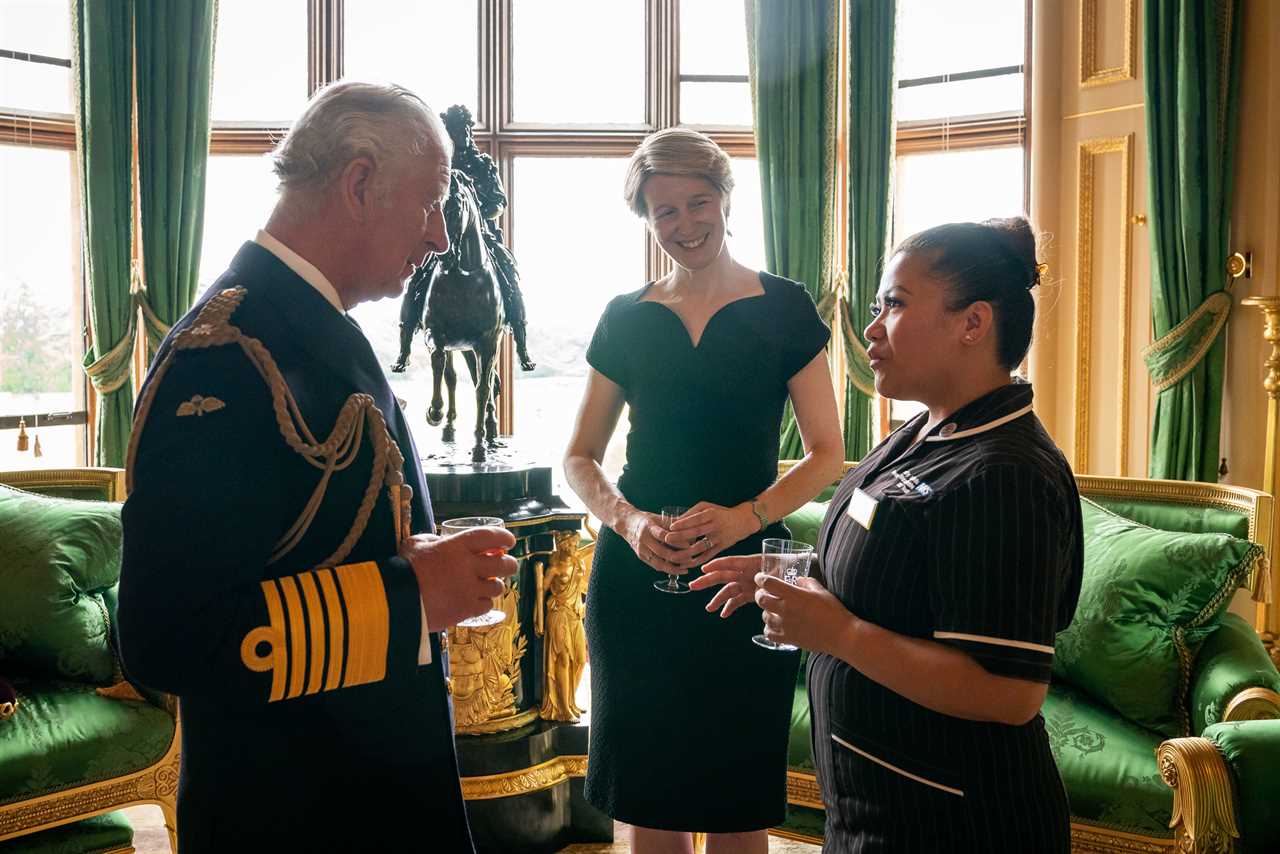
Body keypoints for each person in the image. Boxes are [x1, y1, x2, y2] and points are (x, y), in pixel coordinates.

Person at [117, 81, 517, 853]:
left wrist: (409, 562)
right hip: (293, 811)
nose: (439, 237)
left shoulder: (306, 321)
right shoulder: (226, 355)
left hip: (355, 788)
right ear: (359, 183)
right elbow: (166, 634)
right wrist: (408, 600)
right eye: (431, 202)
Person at [694, 217, 1082, 853]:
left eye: (894, 305)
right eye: (877, 306)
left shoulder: (1005, 473)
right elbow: (902, 567)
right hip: (876, 806)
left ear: (973, 323)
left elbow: (1010, 692)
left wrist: (839, 634)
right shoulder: (922, 432)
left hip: (956, 824)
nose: (870, 330)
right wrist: (802, 577)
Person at [564, 127, 844, 854]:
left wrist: (744, 518)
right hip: (634, 583)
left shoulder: (784, 308)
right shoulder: (625, 316)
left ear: (725, 199)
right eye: (665, 212)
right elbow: (580, 459)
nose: (685, 224)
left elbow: (827, 455)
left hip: (740, 580)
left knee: (733, 803)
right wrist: (626, 524)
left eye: (698, 203)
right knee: (646, 800)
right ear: (645, 219)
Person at [394, 103, 535, 373]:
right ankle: (405, 344)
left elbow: (499, 202)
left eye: (464, 129)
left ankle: (521, 340)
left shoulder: (483, 164)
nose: (461, 135)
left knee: (508, 274)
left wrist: (475, 210)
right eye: (455, 130)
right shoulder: (440, 167)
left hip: (482, 236)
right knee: (418, 280)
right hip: (445, 235)